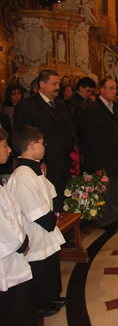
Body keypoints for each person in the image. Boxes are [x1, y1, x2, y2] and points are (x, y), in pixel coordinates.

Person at [8, 126, 68, 318]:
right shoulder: (23, 174)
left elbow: (50, 192)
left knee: (49, 264)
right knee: (40, 267)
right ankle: (41, 303)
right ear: (31, 145)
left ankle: (51, 296)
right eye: (42, 143)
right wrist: (52, 219)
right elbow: (33, 207)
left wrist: (55, 214)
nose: (44, 147)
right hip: (36, 229)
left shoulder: (34, 169)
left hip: (45, 228)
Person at [13, 70, 77, 212]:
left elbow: (69, 131)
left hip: (64, 162)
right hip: (44, 163)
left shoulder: (60, 105)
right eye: (54, 83)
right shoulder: (27, 106)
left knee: (61, 198)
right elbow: (23, 136)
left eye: (58, 83)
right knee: (47, 201)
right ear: (42, 84)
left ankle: (61, 228)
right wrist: (37, 161)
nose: (57, 87)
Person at [0, 127, 36, 325]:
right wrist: (21, 242)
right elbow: (2, 224)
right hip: (7, 253)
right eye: (4, 146)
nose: (9, 150)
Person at [84, 78, 118, 231]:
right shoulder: (94, 109)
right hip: (103, 157)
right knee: (105, 191)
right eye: (111, 88)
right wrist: (97, 163)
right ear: (101, 90)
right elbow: (92, 137)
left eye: (115, 88)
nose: (114, 92)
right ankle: (105, 220)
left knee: (114, 189)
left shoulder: (113, 107)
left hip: (114, 156)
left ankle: (113, 217)